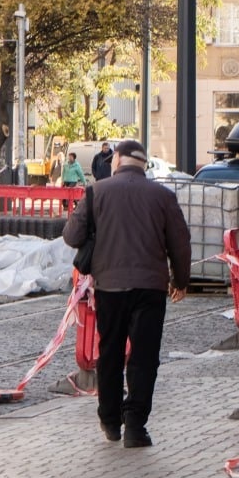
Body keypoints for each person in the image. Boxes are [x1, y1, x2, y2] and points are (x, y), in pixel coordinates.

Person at [62, 138, 191, 449]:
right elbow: (180, 241)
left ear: (115, 162)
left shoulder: (96, 192)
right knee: (145, 357)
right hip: (151, 287)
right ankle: (135, 425)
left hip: (110, 286)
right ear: (143, 164)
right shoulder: (163, 196)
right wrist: (181, 281)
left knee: (110, 352)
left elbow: (71, 235)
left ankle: (109, 420)